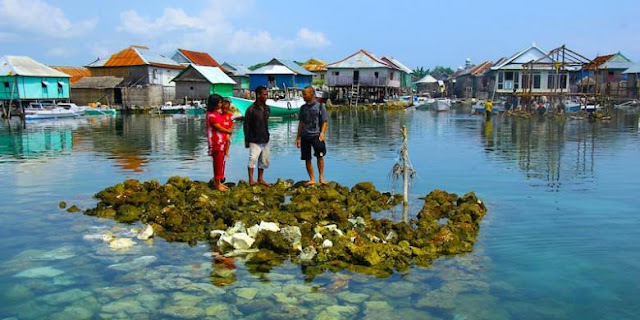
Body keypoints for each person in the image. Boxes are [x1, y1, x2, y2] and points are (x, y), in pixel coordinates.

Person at [295, 86, 328, 186]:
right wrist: (298, 137)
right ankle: (312, 179)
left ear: (312, 94)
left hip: (316, 135)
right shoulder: (303, 108)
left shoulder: (320, 106)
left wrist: (322, 133)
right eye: (303, 94)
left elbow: (325, 121)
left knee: (320, 156)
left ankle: (321, 177)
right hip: (305, 135)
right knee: (307, 158)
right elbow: (301, 123)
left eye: (305, 94)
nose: (303, 96)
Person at [243, 86, 271, 186]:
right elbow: (246, 125)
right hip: (254, 139)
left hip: (265, 138)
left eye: (266, 94)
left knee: (264, 160)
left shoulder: (267, 108)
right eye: (264, 94)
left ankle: (260, 179)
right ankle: (251, 179)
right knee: (253, 159)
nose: (266, 96)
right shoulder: (251, 109)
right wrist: (247, 140)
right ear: (258, 95)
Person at [206, 94, 233, 192]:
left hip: (221, 142)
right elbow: (217, 126)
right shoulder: (211, 115)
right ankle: (217, 183)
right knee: (217, 162)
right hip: (215, 142)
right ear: (215, 103)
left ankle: (218, 181)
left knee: (221, 161)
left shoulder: (217, 113)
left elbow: (228, 121)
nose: (221, 104)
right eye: (220, 102)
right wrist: (227, 131)